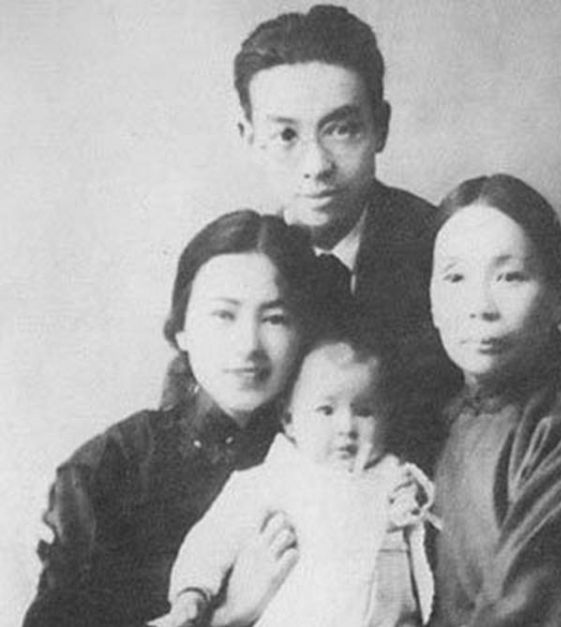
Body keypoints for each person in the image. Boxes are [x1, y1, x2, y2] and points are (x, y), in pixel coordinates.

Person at [164, 4, 460, 470]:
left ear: (380, 126)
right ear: (248, 136)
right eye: (285, 135)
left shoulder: (445, 253)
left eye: (341, 130)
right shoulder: (241, 263)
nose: (316, 165)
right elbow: (183, 429)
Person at [23, 210, 332, 627]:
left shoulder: (332, 450)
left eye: (274, 318)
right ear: (182, 329)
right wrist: (227, 617)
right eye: (224, 315)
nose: (248, 345)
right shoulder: (111, 465)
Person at [166, 326, 436, 627]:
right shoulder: (271, 480)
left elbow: (424, 541)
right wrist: (192, 593)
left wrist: (412, 502)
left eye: (364, 411)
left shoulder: (393, 477)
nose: (346, 426)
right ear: (289, 420)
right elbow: (213, 538)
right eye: (326, 410)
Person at [427, 173, 561, 627]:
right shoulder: (448, 413)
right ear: (432, 299)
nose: (480, 306)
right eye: (455, 277)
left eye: (510, 277)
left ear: (558, 297)